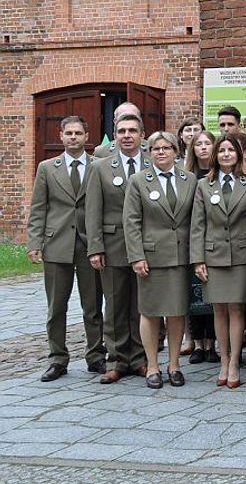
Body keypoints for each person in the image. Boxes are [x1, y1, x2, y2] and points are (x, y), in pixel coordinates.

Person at [27, 115, 105, 381]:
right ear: (61, 136)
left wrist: (100, 244)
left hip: (89, 245)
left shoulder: (98, 166)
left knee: (92, 305)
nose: (73, 137)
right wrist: (34, 242)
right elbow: (39, 208)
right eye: (68, 133)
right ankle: (58, 359)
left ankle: (96, 356)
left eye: (78, 133)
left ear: (87, 136)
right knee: (56, 306)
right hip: (56, 243)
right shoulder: (47, 168)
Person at [123, 131, 198, 389]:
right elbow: (131, 221)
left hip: (180, 256)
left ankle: (174, 364)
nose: (162, 152)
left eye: (167, 148)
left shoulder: (189, 180)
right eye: (156, 149)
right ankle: (153, 365)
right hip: (151, 257)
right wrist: (136, 255)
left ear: (177, 151)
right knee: (151, 311)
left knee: (177, 312)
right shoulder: (139, 181)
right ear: (150, 152)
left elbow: (196, 220)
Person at [191, 134, 246, 388]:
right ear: (215, 156)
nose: (226, 154)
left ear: (240, 156)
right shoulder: (203, 185)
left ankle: (234, 363)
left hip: (241, 256)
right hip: (213, 255)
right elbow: (197, 225)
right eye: (222, 150)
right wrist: (198, 259)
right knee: (218, 308)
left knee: (237, 309)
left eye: (231, 150)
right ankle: (224, 359)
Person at [86, 112, 149, 383]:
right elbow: (92, 211)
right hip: (112, 246)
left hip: (146, 247)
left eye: (132, 130)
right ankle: (117, 359)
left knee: (141, 304)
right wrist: (95, 247)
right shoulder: (101, 167)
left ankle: (140, 358)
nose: (126, 136)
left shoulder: (152, 164)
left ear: (141, 135)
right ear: (115, 135)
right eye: (121, 131)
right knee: (114, 305)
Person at [183, 128, 218, 364]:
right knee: (194, 294)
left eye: (207, 143)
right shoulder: (186, 176)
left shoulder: (219, 174)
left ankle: (212, 343)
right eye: (198, 144)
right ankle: (197, 343)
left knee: (212, 295)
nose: (203, 147)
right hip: (191, 239)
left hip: (213, 241)